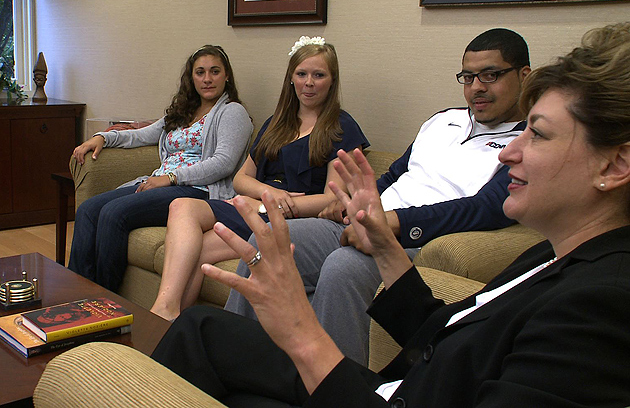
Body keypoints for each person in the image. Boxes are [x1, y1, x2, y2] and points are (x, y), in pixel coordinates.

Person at [152, 22, 630, 407]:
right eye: (469, 76)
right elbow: (441, 334)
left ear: (615, 165)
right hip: (381, 254)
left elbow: (482, 208)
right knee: (225, 301)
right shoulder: (548, 256)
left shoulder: (598, 304)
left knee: (199, 340)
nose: (508, 153)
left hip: (383, 393)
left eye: (539, 135)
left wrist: (302, 337)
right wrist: (381, 237)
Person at [225, 28, 531, 365]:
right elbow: (394, 174)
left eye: (491, 75)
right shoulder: (443, 120)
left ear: (524, 76)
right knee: (267, 240)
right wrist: (350, 201)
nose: (476, 88)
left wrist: (394, 222)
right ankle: (239, 361)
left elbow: (486, 209)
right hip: (369, 219)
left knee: (343, 267)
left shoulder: (526, 142)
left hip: (416, 238)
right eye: (468, 77)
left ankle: (337, 389)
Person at [149, 36, 369, 320]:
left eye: (319, 75)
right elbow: (241, 178)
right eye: (302, 74)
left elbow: (333, 198)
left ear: (332, 80)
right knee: (181, 206)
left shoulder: (342, 127)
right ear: (291, 78)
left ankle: (168, 324)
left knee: (196, 254)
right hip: (253, 207)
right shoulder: (277, 123)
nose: (309, 83)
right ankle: (165, 313)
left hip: (292, 220)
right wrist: (267, 196)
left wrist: (271, 205)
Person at [68, 45, 253, 291]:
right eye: (200, 72)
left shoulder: (232, 113)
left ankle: (105, 302)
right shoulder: (183, 112)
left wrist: (171, 178)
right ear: (191, 77)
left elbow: (223, 163)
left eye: (214, 71)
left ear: (226, 76)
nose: (207, 79)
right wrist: (103, 138)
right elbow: (141, 135)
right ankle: (75, 294)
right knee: (89, 211)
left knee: (114, 214)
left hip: (198, 191)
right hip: (159, 183)